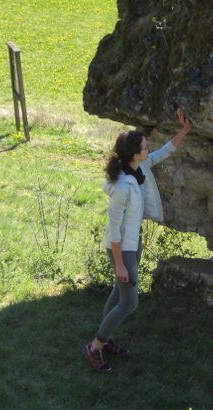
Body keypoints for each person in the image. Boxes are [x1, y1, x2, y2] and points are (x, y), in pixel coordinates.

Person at [84, 109, 193, 373]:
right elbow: (113, 229)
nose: (149, 148)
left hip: (134, 241)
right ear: (135, 153)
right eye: (145, 146)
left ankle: (105, 338)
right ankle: (95, 346)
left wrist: (185, 131)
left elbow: (163, 152)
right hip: (123, 247)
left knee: (118, 291)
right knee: (130, 302)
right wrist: (120, 264)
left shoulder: (137, 167)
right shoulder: (122, 187)